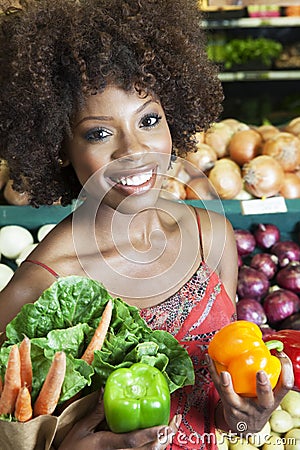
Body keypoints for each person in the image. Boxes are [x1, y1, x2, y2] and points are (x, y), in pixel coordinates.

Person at [0, 0, 294, 449]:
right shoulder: (39, 288)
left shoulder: (208, 236)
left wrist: (245, 419)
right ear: (59, 146)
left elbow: (216, 415)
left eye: (149, 120)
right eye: (99, 132)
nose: (134, 150)